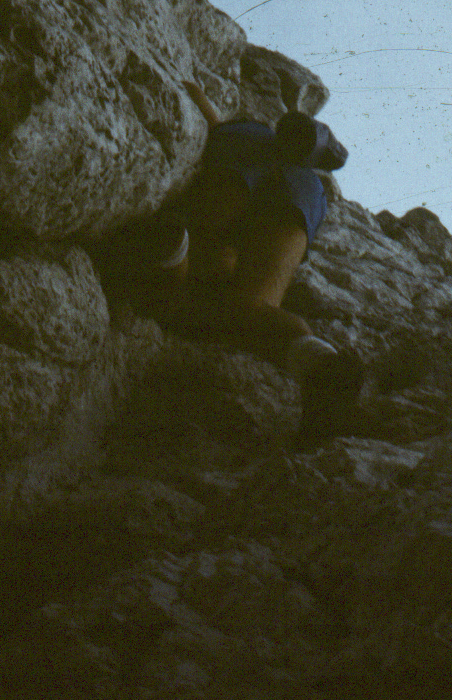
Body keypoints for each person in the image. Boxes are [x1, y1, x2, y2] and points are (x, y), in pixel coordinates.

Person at [108, 76, 365, 449]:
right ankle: (321, 363)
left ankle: (174, 248)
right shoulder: (297, 164)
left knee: (190, 281)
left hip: (239, 155)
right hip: (302, 191)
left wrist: (197, 95)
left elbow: (205, 109)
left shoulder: (247, 131)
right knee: (253, 305)